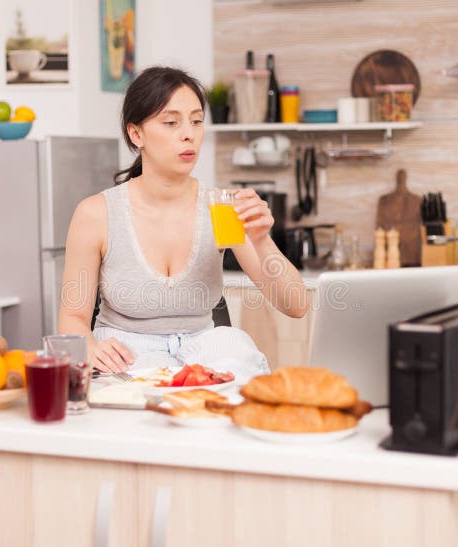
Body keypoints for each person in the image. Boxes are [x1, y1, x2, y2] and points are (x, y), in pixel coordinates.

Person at [58, 66, 308, 379]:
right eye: (171, 122)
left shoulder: (222, 208)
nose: (188, 133)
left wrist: (261, 240)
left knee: (236, 371)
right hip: (127, 355)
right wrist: (89, 344)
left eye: (196, 121)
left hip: (205, 353)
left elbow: (296, 306)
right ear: (137, 134)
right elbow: (72, 318)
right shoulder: (96, 214)